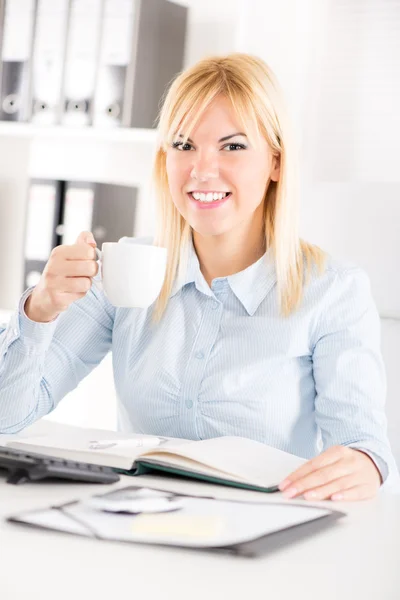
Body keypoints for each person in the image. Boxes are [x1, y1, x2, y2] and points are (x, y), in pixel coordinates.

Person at [0, 53, 398, 500]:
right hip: (136, 525)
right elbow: (7, 417)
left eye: (233, 146)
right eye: (184, 145)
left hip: (264, 535)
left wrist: (363, 464)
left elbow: (363, 447)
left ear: (276, 163)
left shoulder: (334, 290)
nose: (201, 170)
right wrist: (40, 309)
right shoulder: (123, 269)